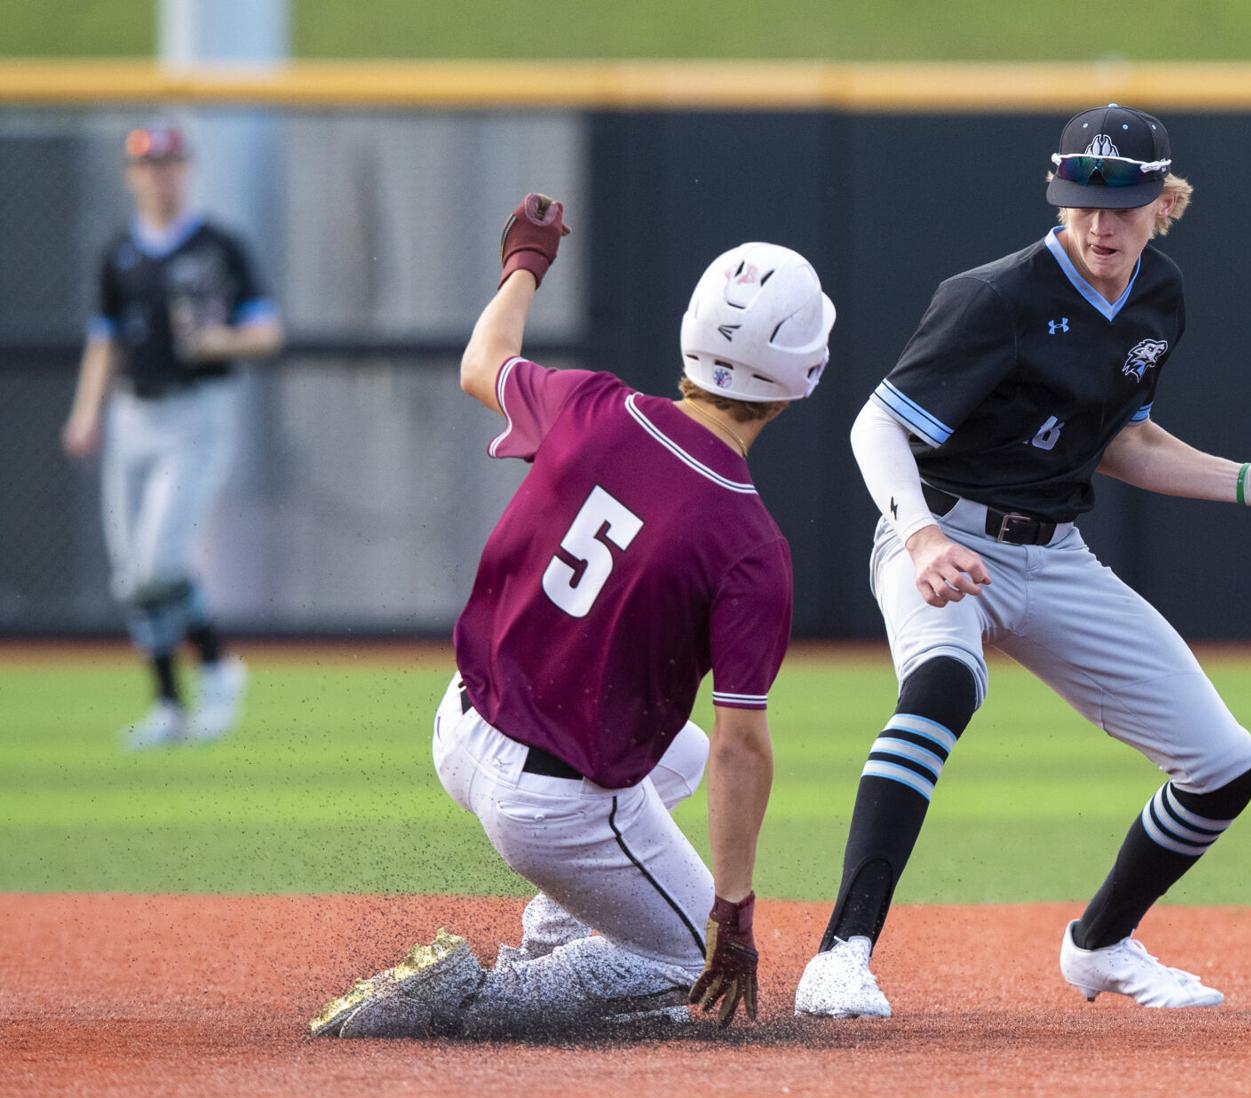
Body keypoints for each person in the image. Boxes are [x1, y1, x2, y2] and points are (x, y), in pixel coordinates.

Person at [794, 104, 1251, 1017]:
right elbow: (878, 423)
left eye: (1121, 204)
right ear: (1057, 195)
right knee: (943, 685)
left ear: (1163, 201)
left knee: (1227, 765)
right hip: (943, 531)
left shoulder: (1159, 295)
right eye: (1081, 202)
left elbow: (1124, 442)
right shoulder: (997, 295)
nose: (1099, 224)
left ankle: (1100, 943)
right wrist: (920, 536)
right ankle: (841, 952)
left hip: (1052, 552)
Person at [309, 194, 836, 1038]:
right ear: (803, 376)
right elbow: (747, 748)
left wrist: (524, 265)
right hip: (547, 807)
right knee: (682, 971)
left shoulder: (598, 404)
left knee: (679, 756)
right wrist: (732, 915)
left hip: (459, 725)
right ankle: (483, 999)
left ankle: (549, 935)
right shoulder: (750, 541)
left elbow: (482, 361)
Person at [61, 124, 284, 749]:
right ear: (131, 174)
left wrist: (221, 341)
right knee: (133, 575)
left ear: (187, 168)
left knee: (161, 562)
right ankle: (168, 707)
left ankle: (216, 666)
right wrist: (86, 412)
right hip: (132, 414)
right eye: (147, 163)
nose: (159, 173)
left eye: (169, 162)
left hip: (195, 413)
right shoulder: (119, 252)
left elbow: (267, 333)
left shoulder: (218, 244)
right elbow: (104, 339)